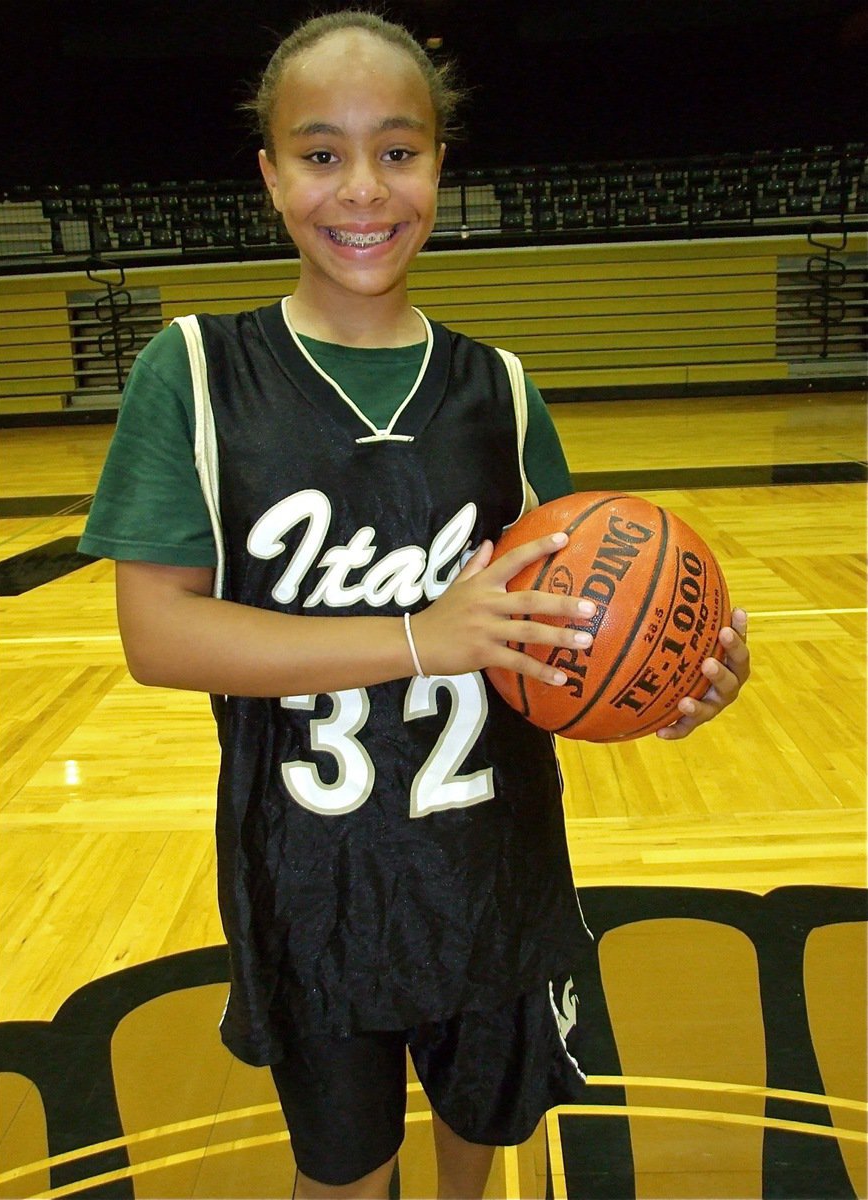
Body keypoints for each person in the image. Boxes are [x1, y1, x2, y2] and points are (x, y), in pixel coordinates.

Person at [79, 11, 750, 1198]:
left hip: (490, 862)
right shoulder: (194, 371)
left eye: (397, 151)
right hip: (312, 878)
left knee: (478, 1142)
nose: (361, 189)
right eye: (320, 153)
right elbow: (158, 634)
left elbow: (570, 630)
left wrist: (668, 680)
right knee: (343, 1173)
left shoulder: (499, 388)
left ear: (439, 164)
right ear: (270, 175)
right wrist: (415, 636)